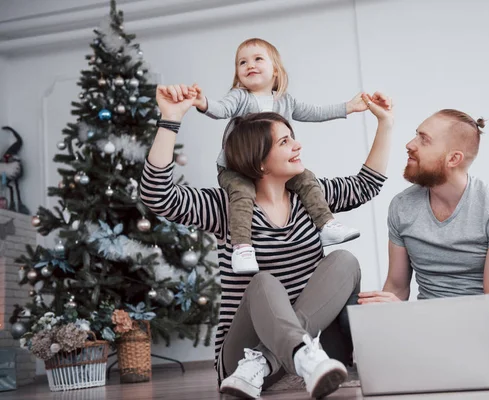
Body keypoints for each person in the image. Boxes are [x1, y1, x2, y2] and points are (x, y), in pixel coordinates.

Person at [141, 83, 394, 398]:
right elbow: (158, 196)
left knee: (344, 261)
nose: (298, 146)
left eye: (293, 138)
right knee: (262, 282)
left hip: (316, 356)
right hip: (240, 359)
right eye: (285, 141)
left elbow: (365, 185)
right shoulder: (225, 207)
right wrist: (170, 119)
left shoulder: (312, 198)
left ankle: (281, 358)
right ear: (258, 161)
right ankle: (277, 358)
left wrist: (385, 123)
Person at [358, 109, 489, 379]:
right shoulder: (402, 206)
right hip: (422, 325)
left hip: (479, 322)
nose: (410, 145)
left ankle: (439, 358)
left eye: (423, 139)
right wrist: (384, 310)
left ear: (453, 158)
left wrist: (429, 323)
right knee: (351, 314)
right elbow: (398, 287)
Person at [191, 38, 369, 274]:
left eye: (257, 59)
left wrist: (348, 107)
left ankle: (325, 224)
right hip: (237, 168)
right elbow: (221, 109)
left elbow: (314, 112)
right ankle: (242, 248)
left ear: (275, 70)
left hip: (274, 169)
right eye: (242, 62)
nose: (249, 65)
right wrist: (202, 102)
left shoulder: (284, 101)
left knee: (307, 179)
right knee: (242, 193)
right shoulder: (240, 96)